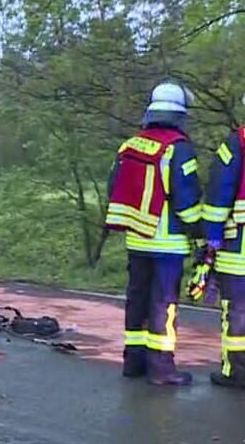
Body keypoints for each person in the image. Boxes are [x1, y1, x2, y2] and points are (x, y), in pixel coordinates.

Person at [105, 79, 203, 385]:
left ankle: (133, 362)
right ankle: (161, 368)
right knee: (163, 303)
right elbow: (186, 201)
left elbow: (113, 189)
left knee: (137, 298)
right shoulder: (179, 150)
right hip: (168, 242)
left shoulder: (129, 146)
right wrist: (201, 233)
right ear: (179, 115)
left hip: (137, 238)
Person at [202, 110, 245, 388]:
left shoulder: (236, 143)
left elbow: (220, 190)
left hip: (240, 244)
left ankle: (237, 372)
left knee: (238, 309)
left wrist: (212, 237)